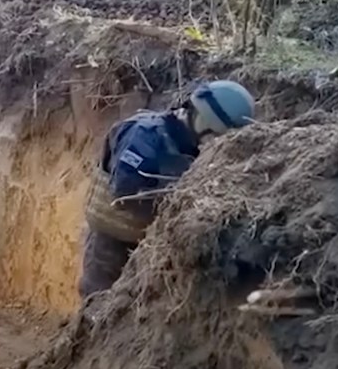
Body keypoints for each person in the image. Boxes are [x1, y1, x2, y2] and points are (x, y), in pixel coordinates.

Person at [79, 80, 256, 299]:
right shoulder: (145, 136)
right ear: (205, 123)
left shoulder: (192, 147)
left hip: (153, 246)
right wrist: (175, 212)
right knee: (99, 301)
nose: (215, 144)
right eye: (216, 137)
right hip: (113, 239)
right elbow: (125, 193)